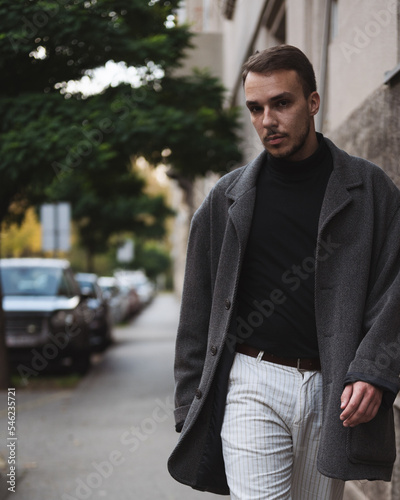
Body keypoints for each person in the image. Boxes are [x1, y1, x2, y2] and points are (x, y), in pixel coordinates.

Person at [168, 45, 400, 500]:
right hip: (252, 381)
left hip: (332, 386)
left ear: (313, 102)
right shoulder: (226, 198)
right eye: (255, 108)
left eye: (281, 103)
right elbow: (198, 304)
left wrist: (375, 368)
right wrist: (188, 400)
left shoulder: (370, 189)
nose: (268, 121)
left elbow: (393, 286)